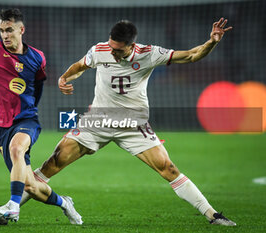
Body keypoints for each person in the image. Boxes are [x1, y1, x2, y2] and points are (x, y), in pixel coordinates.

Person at [32, 19, 237, 226]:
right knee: (54, 161)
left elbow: (192, 55)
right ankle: (11, 208)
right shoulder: (100, 50)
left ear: (131, 46)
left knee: (169, 169)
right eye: (111, 46)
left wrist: (212, 42)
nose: (112, 52)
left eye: (118, 50)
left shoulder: (149, 54)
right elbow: (80, 65)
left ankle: (213, 215)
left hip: (133, 124)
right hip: (97, 121)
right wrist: (65, 78)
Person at [0, 8, 83, 224]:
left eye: (9, 30)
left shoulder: (38, 57)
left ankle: (13, 205)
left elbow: (38, 87)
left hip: (27, 120)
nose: (5, 35)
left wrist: (29, 110)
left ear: (21, 30)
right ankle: (65, 203)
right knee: (31, 185)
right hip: (1, 126)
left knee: (17, 148)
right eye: (2, 30)